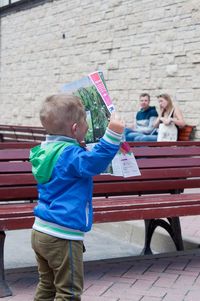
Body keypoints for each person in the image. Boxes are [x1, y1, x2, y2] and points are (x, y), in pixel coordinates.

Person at [29, 94, 124, 301]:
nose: (88, 129)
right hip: (62, 235)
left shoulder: (46, 150)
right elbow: (94, 162)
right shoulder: (70, 155)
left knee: (47, 286)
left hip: (40, 231)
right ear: (74, 129)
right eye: (85, 124)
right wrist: (112, 134)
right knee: (68, 292)